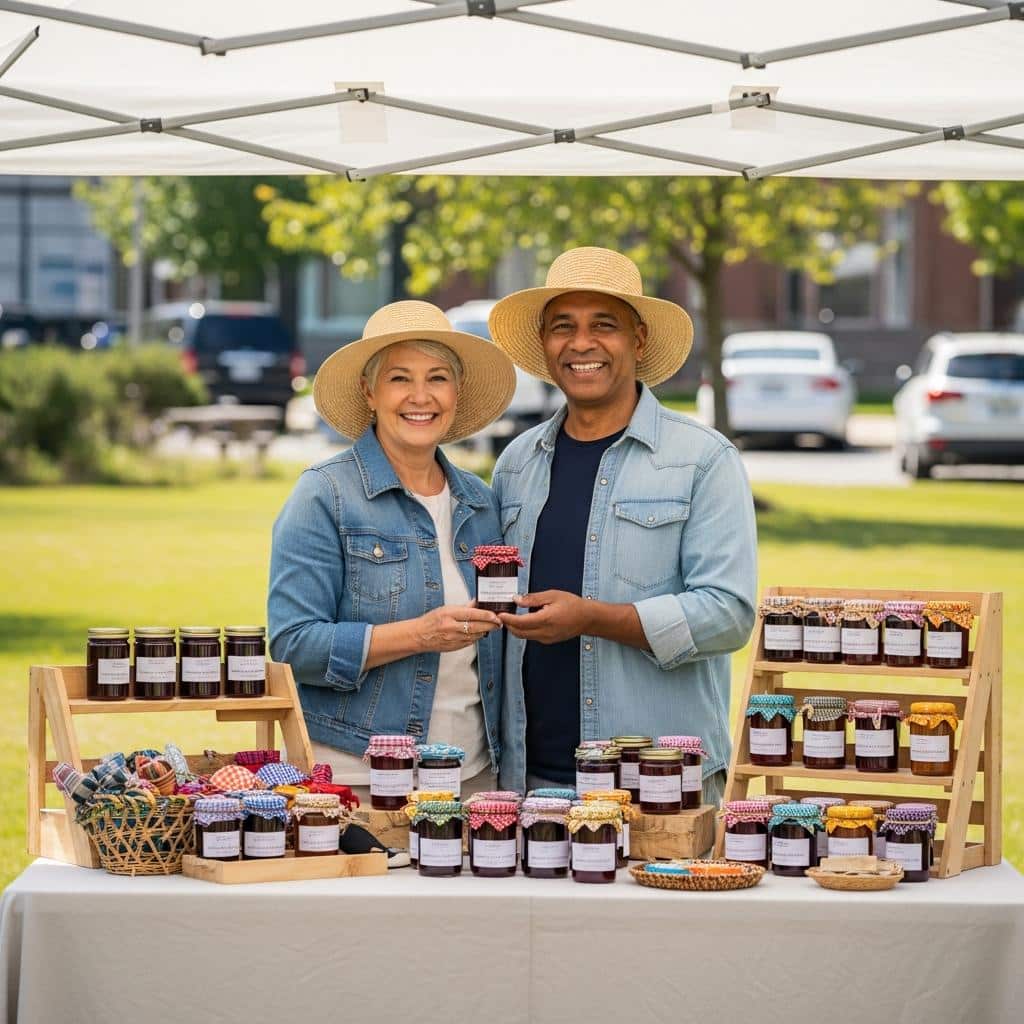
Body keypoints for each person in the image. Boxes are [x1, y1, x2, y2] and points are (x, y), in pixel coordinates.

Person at [488, 247, 757, 806]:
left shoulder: (701, 459)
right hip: (528, 785)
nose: (581, 343)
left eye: (603, 325)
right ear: (544, 344)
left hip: (657, 783)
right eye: (563, 327)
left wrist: (595, 619)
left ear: (637, 341)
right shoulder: (517, 463)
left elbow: (728, 615)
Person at [268, 300, 517, 802]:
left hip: (472, 777)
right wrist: (419, 634)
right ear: (370, 390)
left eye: (438, 378)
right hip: (362, 776)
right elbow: (293, 645)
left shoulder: (480, 501)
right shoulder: (326, 495)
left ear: (457, 391)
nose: (420, 397)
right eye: (400, 378)